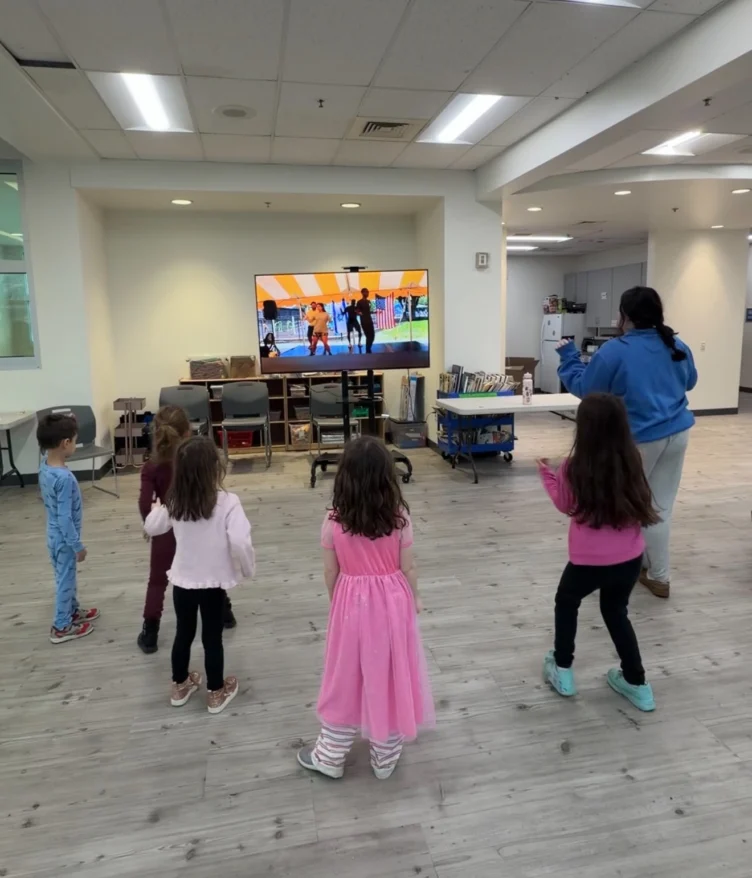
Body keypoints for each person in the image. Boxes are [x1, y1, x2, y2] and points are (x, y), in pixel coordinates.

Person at [297, 436, 434, 780]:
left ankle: (330, 755)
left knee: (344, 677)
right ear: (387, 478)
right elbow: (409, 567)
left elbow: (331, 571)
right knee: (389, 674)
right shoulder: (399, 518)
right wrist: (414, 597)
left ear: (344, 478)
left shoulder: (333, 520)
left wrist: (336, 601)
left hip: (351, 605)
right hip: (393, 604)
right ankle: (385, 757)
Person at [556, 286, 697, 599]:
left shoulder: (614, 350)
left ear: (624, 316)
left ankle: (638, 571)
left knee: (632, 504)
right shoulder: (676, 343)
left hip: (639, 439)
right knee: (659, 504)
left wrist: (568, 358)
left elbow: (587, 390)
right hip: (677, 433)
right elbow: (689, 381)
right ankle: (655, 572)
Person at [538, 393, 659, 712]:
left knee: (567, 601)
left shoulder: (572, 468)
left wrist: (547, 476)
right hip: (630, 559)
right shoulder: (633, 458)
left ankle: (562, 669)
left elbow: (565, 505)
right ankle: (638, 683)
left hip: (587, 562)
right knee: (616, 611)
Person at [144, 436, 255, 714]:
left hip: (183, 580)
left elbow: (152, 527)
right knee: (212, 637)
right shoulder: (228, 502)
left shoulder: (174, 500)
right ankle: (216, 692)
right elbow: (241, 541)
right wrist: (247, 568)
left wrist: (158, 507)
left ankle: (180, 685)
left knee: (184, 632)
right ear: (214, 468)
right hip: (213, 583)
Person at [136, 405, 236, 653]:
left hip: (165, 529)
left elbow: (144, 502)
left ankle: (150, 631)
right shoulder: (193, 461)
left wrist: (151, 523)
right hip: (197, 526)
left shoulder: (151, 468)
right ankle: (225, 614)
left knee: (157, 582)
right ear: (187, 433)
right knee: (210, 572)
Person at [37, 413, 99, 644]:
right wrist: (77, 546)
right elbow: (65, 519)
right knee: (65, 580)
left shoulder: (44, 466)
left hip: (52, 536)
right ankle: (61, 625)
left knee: (66, 577)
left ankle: (72, 611)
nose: (75, 444)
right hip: (64, 540)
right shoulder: (64, 479)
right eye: (74, 440)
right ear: (65, 443)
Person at [356, 288, 375, 353]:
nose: (367, 293)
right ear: (362, 293)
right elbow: (357, 311)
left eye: (368, 292)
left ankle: (368, 348)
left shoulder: (368, 301)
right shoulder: (359, 302)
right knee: (368, 336)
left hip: (370, 320)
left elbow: (369, 311)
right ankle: (368, 350)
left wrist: (374, 312)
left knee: (372, 336)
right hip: (364, 321)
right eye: (366, 292)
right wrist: (361, 313)